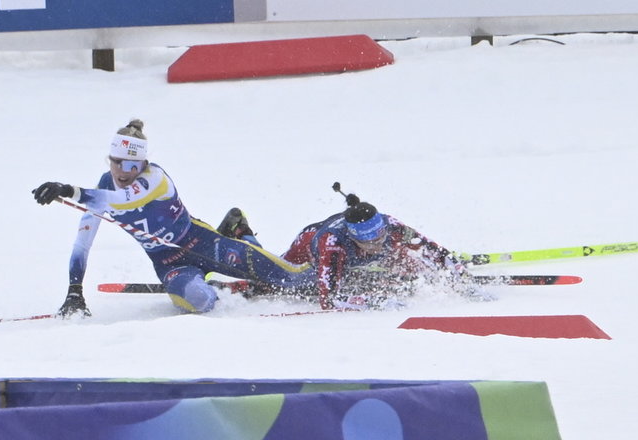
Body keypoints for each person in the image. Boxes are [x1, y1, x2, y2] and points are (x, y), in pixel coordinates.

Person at [32, 119, 312, 318]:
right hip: (168, 262)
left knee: (294, 279)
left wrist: (69, 190)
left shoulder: (155, 178)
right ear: (110, 160)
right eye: (117, 162)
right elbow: (83, 244)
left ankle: (238, 231)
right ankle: (220, 283)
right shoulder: (102, 189)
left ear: (143, 163)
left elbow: (124, 200)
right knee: (202, 302)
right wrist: (74, 291)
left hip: (201, 242)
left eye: (132, 165)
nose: (124, 171)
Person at [253, 188, 491, 310]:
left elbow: (434, 251)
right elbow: (329, 301)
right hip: (308, 248)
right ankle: (243, 236)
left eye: (379, 234)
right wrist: (374, 302)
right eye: (368, 239)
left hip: (354, 257)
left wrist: (461, 279)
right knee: (279, 280)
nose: (377, 241)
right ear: (353, 236)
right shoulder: (333, 246)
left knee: (410, 261)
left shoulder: (392, 227)